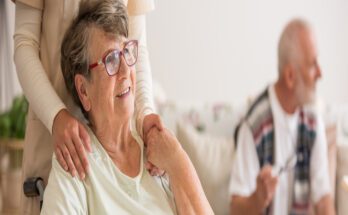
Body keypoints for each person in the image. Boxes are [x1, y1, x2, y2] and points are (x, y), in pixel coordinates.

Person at [41, 1, 213, 214]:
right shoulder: (76, 161)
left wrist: (178, 162)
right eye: (111, 59)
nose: (126, 70)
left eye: (126, 52)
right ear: (84, 90)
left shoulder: (160, 152)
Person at [13, 0, 162, 213]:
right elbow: (24, 45)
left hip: (117, 133)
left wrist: (145, 114)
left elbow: (136, 42)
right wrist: (55, 116)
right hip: (54, 134)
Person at [229, 19, 335, 215]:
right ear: (290, 77)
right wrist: (258, 198)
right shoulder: (253, 125)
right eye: (312, 65)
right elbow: (236, 209)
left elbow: (323, 199)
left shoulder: (313, 119)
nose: (320, 73)